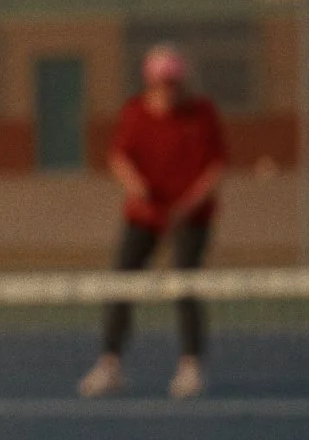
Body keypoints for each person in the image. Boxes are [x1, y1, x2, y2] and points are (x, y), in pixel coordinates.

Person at [79, 44, 227, 400]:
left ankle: (190, 366)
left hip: (192, 217)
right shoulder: (135, 113)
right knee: (121, 284)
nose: (169, 89)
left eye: (174, 82)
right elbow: (118, 157)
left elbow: (216, 167)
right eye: (163, 82)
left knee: (185, 286)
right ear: (150, 81)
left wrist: (188, 204)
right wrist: (136, 185)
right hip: (144, 216)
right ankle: (110, 363)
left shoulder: (202, 113)